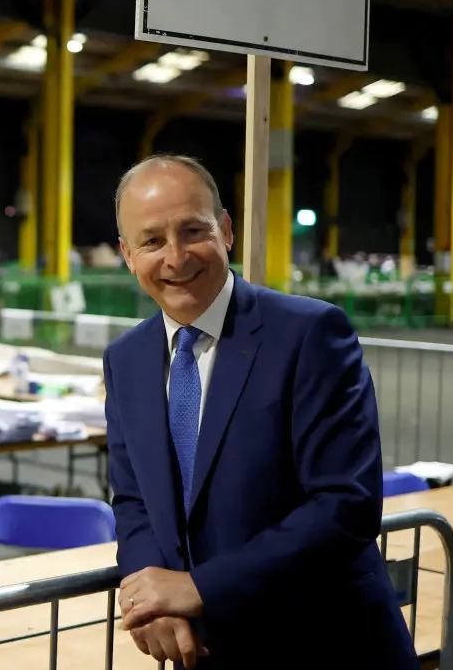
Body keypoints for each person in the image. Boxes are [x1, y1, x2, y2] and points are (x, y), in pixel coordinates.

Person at [102, 155, 416, 670]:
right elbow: (133, 499)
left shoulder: (309, 333)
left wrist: (197, 588)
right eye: (152, 241)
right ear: (127, 254)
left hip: (325, 643)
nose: (176, 258)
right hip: (208, 652)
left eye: (193, 230)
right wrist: (147, 600)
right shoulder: (126, 360)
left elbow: (346, 505)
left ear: (226, 231)